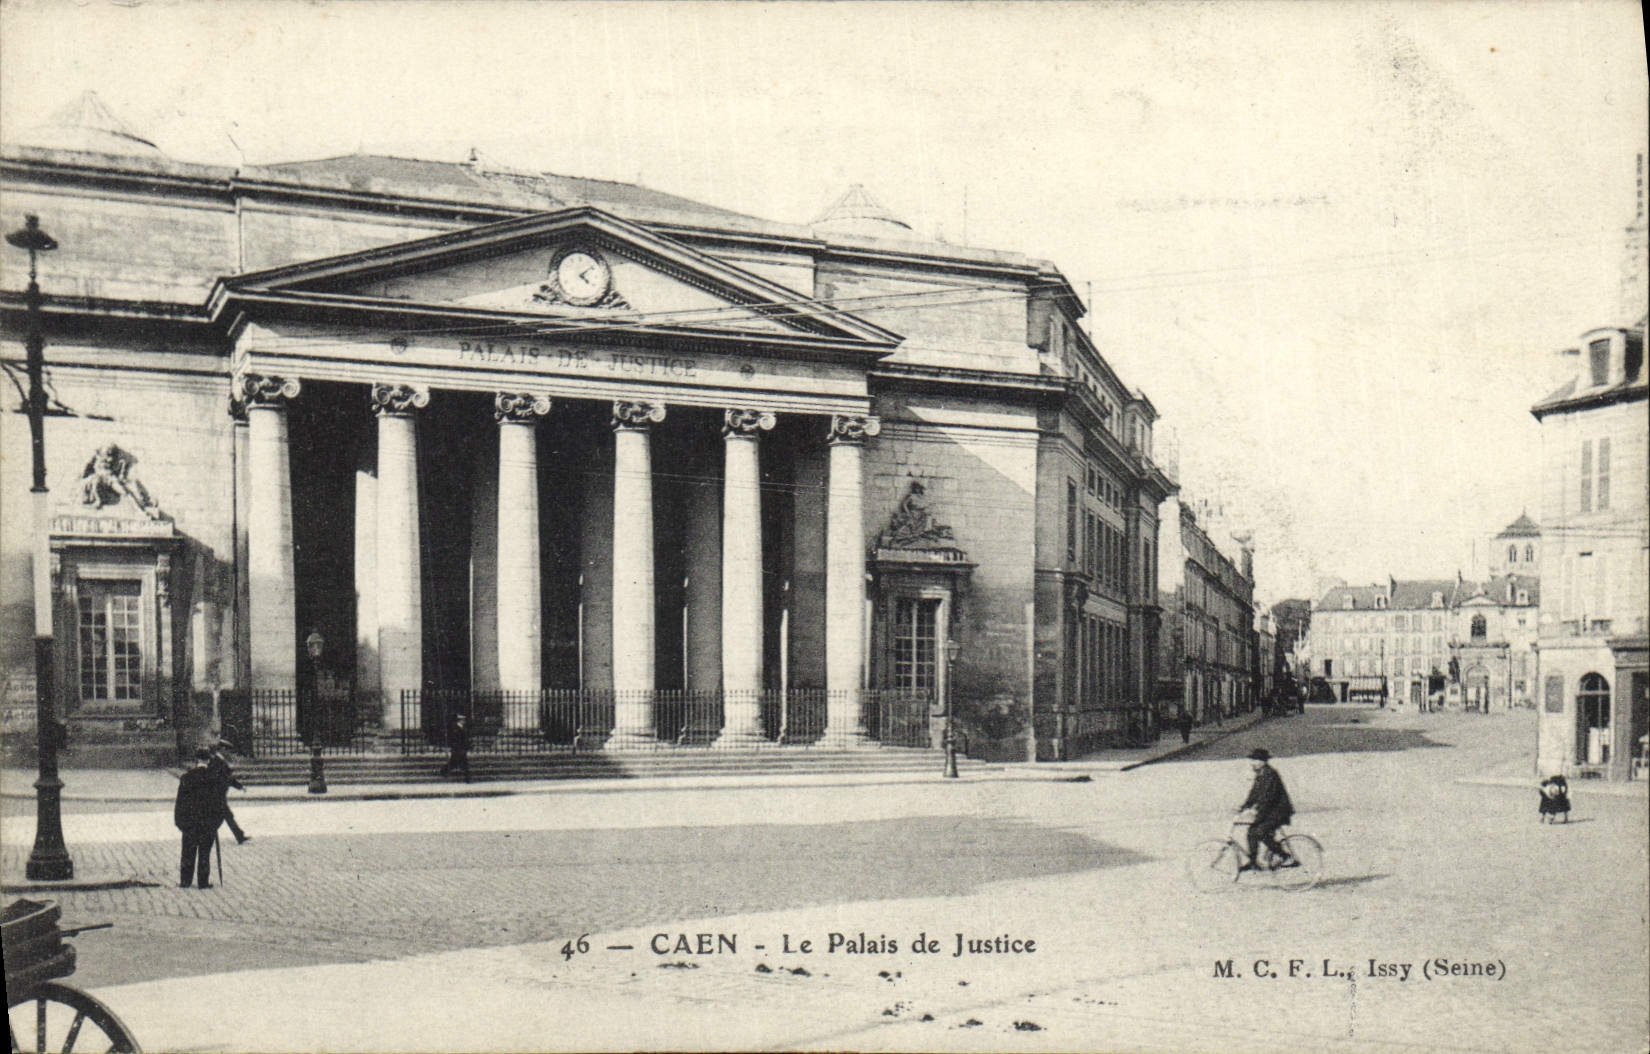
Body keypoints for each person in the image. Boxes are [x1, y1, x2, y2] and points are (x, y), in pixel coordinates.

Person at [1236, 747, 1295, 871]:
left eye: (1256, 760)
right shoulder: (1261, 774)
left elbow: (1267, 798)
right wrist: (1244, 807)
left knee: (1260, 832)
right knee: (1251, 832)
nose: (1253, 763)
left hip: (1279, 812)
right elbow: (1254, 793)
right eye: (1252, 760)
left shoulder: (1270, 774)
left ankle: (1286, 857)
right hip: (1270, 811)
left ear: (1264, 762)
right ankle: (1253, 862)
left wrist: (1258, 816)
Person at [175, 748, 223, 888]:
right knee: (204, 854)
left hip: (190, 824)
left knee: (187, 853)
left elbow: (180, 803)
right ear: (208, 761)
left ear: (196, 760)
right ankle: (203, 881)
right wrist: (215, 824)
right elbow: (219, 806)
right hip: (207, 824)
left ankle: (185, 881)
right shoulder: (214, 778)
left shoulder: (187, 777)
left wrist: (180, 823)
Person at [208, 740, 250, 844]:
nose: (229, 753)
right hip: (217, 794)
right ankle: (239, 836)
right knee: (225, 816)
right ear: (222, 749)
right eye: (227, 750)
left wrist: (240, 787)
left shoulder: (220, 760)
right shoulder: (216, 761)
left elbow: (228, 778)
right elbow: (222, 778)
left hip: (219, 794)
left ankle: (239, 835)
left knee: (225, 816)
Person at [443, 711, 471, 782]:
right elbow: (455, 739)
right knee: (459, 763)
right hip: (457, 749)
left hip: (461, 749)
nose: (464, 721)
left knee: (455, 763)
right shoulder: (455, 727)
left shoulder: (462, 727)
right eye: (463, 720)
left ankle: (444, 771)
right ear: (459, 721)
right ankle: (467, 778)